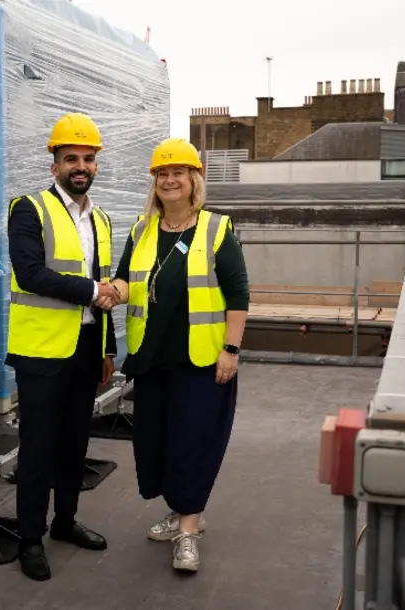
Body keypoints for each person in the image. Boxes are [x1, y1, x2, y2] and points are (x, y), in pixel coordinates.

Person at [106, 137, 249, 573]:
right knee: (157, 445)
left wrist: (231, 349)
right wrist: (106, 291)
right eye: (162, 174)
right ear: (155, 183)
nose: (170, 180)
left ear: (193, 180)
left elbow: (238, 295)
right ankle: (178, 512)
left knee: (193, 445)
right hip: (152, 361)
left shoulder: (216, 229)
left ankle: (189, 529)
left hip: (202, 363)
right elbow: (128, 281)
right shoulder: (142, 230)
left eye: (178, 173)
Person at [6, 112, 120, 581]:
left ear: (95, 165)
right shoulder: (28, 209)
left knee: (75, 445)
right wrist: (93, 290)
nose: (80, 166)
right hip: (41, 352)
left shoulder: (103, 219)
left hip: (87, 347)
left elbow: (111, 292)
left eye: (88, 159)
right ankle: (29, 538)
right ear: (53, 164)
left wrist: (108, 349)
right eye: (70, 157)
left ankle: (65, 523)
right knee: (38, 450)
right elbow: (32, 274)